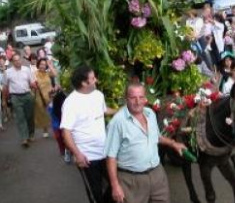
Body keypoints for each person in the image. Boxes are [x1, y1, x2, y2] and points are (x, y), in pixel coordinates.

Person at [105, 83, 186, 203]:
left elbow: (156, 137)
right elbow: (110, 157)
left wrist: (173, 143)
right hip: (131, 180)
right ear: (126, 99)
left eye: (141, 97)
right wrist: (115, 186)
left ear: (145, 98)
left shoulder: (150, 114)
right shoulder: (117, 122)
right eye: (133, 98)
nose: (138, 101)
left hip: (157, 174)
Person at [60, 65, 114, 203]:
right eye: (92, 78)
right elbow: (66, 131)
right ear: (84, 83)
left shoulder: (98, 95)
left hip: (105, 152)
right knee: (96, 193)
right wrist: (77, 154)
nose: (96, 80)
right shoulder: (71, 103)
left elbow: (104, 110)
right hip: (87, 157)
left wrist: (121, 110)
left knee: (115, 185)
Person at [3, 53, 36, 147]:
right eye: (15, 60)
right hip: (15, 97)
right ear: (12, 62)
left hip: (27, 96)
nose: (18, 62)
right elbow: (5, 87)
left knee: (29, 117)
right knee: (20, 118)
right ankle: (24, 138)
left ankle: (31, 133)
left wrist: (33, 91)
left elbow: (32, 82)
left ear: (21, 60)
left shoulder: (27, 70)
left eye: (19, 60)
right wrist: (4, 100)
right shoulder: (8, 72)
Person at [33, 58, 56, 138]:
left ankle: (55, 130)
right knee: (43, 114)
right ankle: (45, 130)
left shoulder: (47, 73)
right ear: (38, 65)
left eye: (44, 64)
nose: (42, 66)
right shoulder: (34, 74)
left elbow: (55, 74)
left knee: (53, 114)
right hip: (40, 97)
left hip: (50, 97)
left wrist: (50, 65)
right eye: (41, 64)